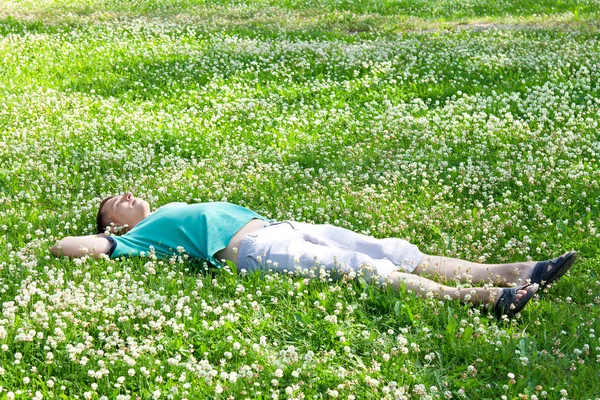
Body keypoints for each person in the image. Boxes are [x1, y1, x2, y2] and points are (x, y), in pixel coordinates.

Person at [51, 193, 577, 319]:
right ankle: (480, 298)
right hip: (256, 249)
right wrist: (101, 239)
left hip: (283, 227)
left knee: (392, 250)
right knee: (363, 270)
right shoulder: (136, 239)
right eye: (109, 205)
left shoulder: (170, 205)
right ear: (111, 226)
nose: (120, 197)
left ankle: (515, 271)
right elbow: (65, 248)